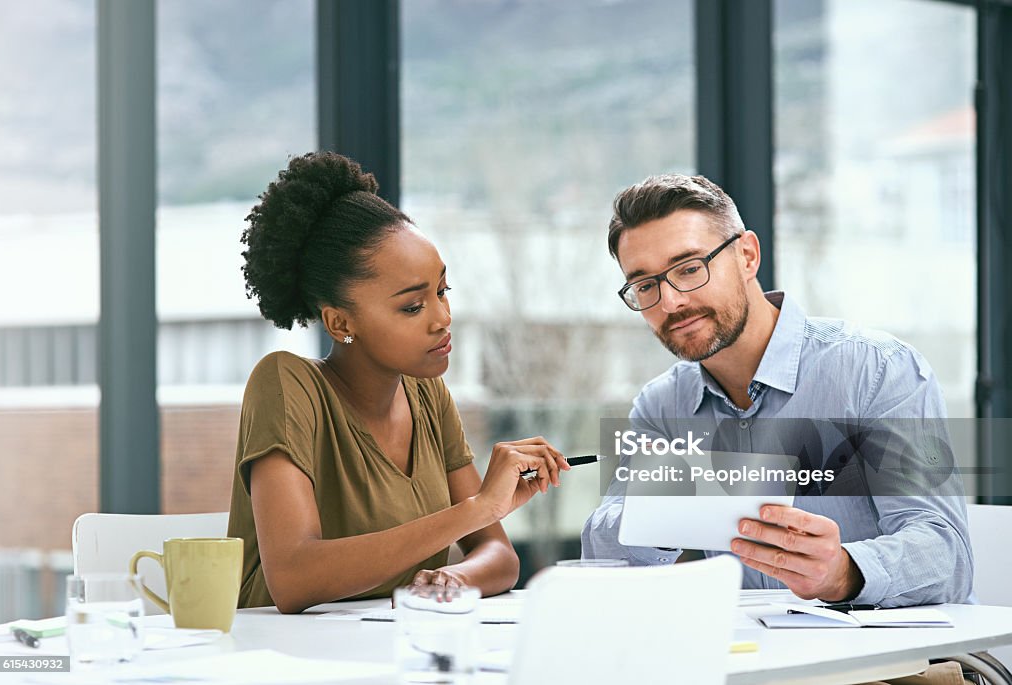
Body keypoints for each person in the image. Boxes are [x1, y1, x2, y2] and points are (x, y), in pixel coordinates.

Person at [582, 173, 972, 607]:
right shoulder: (662, 407)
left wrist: (842, 571)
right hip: (755, 661)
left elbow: (947, 557)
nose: (670, 302)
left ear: (747, 255)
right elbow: (604, 561)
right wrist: (657, 515)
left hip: (892, 663)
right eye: (645, 285)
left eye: (689, 269)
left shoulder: (876, 370)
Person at [227, 151, 569, 613]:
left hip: (392, 647)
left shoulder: (427, 396)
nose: (443, 318)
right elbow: (293, 578)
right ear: (340, 321)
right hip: (280, 656)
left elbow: (500, 558)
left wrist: (450, 577)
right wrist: (478, 508)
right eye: (412, 306)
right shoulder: (286, 385)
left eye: (442, 291)